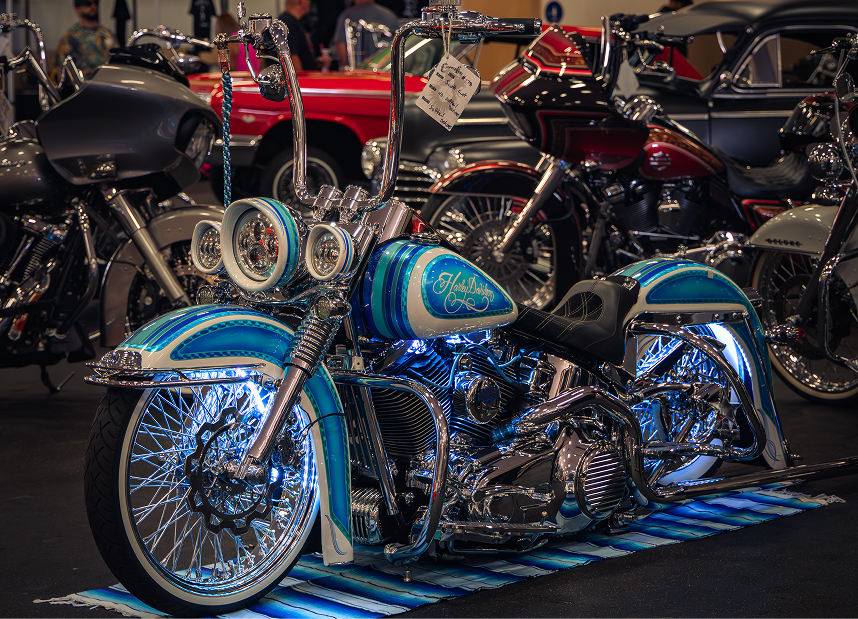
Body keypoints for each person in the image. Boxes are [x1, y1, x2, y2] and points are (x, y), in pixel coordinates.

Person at [332, 0, 399, 70]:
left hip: (359, 74)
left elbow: (340, 44)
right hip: (387, 73)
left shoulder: (348, 16)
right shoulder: (390, 15)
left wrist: (344, 67)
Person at [56, 0, 115, 78]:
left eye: (95, 3)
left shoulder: (107, 34)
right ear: (77, 9)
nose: (93, 6)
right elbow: (61, 70)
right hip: (83, 85)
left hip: (108, 82)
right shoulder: (70, 37)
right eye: (87, 4)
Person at [277, 0, 318, 71]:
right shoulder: (288, 24)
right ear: (300, 1)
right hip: (300, 80)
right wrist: (299, 80)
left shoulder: (292, 22)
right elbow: (291, 59)